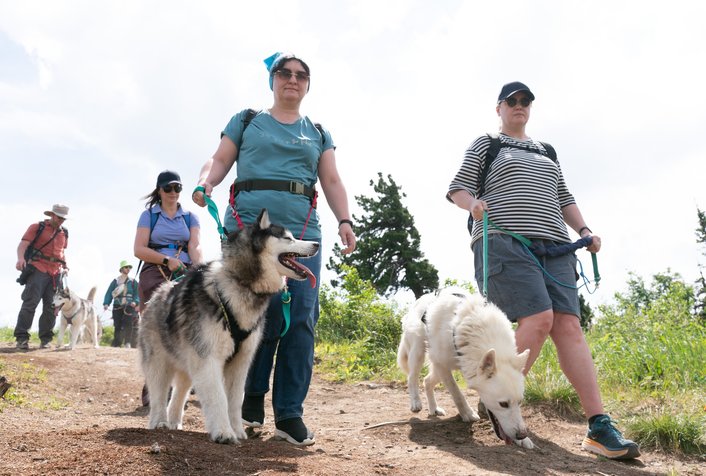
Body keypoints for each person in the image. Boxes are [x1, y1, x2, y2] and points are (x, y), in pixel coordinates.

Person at [446, 81, 640, 460]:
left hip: (555, 246)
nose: (520, 106)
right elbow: (458, 188)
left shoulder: (546, 150)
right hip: (505, 239)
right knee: (538, 319)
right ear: (499, 108)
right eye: (512, 101)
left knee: (567, 326)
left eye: (526, 102)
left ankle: (599, 426)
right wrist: (473, 205)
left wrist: (584, 231)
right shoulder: (489, 144)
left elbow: (563, 197)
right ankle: (499, 401)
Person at [192, 52, 356, 446]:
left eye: (301, 75)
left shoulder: (317, 133)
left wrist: (345, 220)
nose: (293, 80)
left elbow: (331, 181)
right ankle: (245, 401)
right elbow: (218, 160)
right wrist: (205, 183)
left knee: (299, 320)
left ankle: (289, 414)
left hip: (300, 237)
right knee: (243, 321)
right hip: (246, 237)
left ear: (307, 84)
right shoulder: (248, 121)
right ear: (272, 79)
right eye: (285, 73)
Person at [134, 170, 203, 406]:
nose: (173, 193)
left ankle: (185, 385)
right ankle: (152, 389)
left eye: (177, 188)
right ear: (159, 191)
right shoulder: (149, 216)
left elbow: (195, 246)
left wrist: (198, 267)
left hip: (184, 271)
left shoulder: (190, 217)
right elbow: (139, 249)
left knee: (190, 322)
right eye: (168, 188)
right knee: (157, 324)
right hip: (155, 270)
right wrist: (166, 260)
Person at [14, 204, 69, 350]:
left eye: (64, 218)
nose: (61, 220)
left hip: (56, 273)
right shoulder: (37, 227)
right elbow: (23, 244)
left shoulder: (65, 233)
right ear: (52, 215)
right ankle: (22, 338)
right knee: (30, 303)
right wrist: (20, 259)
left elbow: (62, 252)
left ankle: (45, 339)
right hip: (38, 268)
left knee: (51, 307)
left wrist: (65, 265)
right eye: (59, 217)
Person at [103, 260, 140, 348]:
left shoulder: (133, 282)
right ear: (121, 268)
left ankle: (127, 343)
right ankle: (117, 343)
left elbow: (137, 294)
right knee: (117, 325)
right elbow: (109, 293)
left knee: (128, 324)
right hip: (117, 305)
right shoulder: (115, 281)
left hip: (129, 306)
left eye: (129, 268)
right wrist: (106, 303)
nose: (128, 269)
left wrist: (135, 301)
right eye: (126, 267)